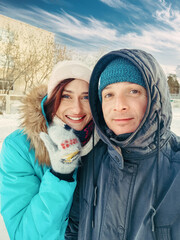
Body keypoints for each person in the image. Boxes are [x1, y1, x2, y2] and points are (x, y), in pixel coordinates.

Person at [65, 49, 180, 239]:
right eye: (109, 95)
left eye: (133, 91)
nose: (119, 105)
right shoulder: (90, 159)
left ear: (155, 97)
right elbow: (73, 228)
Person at [0, 60, 99, 240]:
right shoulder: (20, 147)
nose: (77, 108)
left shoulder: (106, 143)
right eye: (66, 96)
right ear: (52, 99)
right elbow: (24, 234)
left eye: (85, 97)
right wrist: (60, 176)